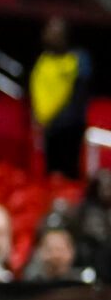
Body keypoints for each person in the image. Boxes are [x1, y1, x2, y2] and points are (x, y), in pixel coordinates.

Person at [30, 17, 93, 181]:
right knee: (51, 175)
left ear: (65, 35)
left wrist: (62, 120)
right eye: (48, 30)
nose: (49, 34)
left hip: (69, 128)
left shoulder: (78, 59)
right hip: (49, 126)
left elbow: (79, 95)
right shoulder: (43, 61)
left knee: (69, 175)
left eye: (55, 31)